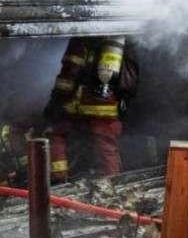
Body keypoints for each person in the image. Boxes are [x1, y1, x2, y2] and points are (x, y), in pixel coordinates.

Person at [45, 36, 134, 182]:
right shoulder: (116, 42)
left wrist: (56, 100)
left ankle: (59, 180)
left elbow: (68, 75)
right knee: (107, 148)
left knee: (54, 131)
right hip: (109, 106)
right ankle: (113, 185)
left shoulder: (81, 41)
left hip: (84, 103)